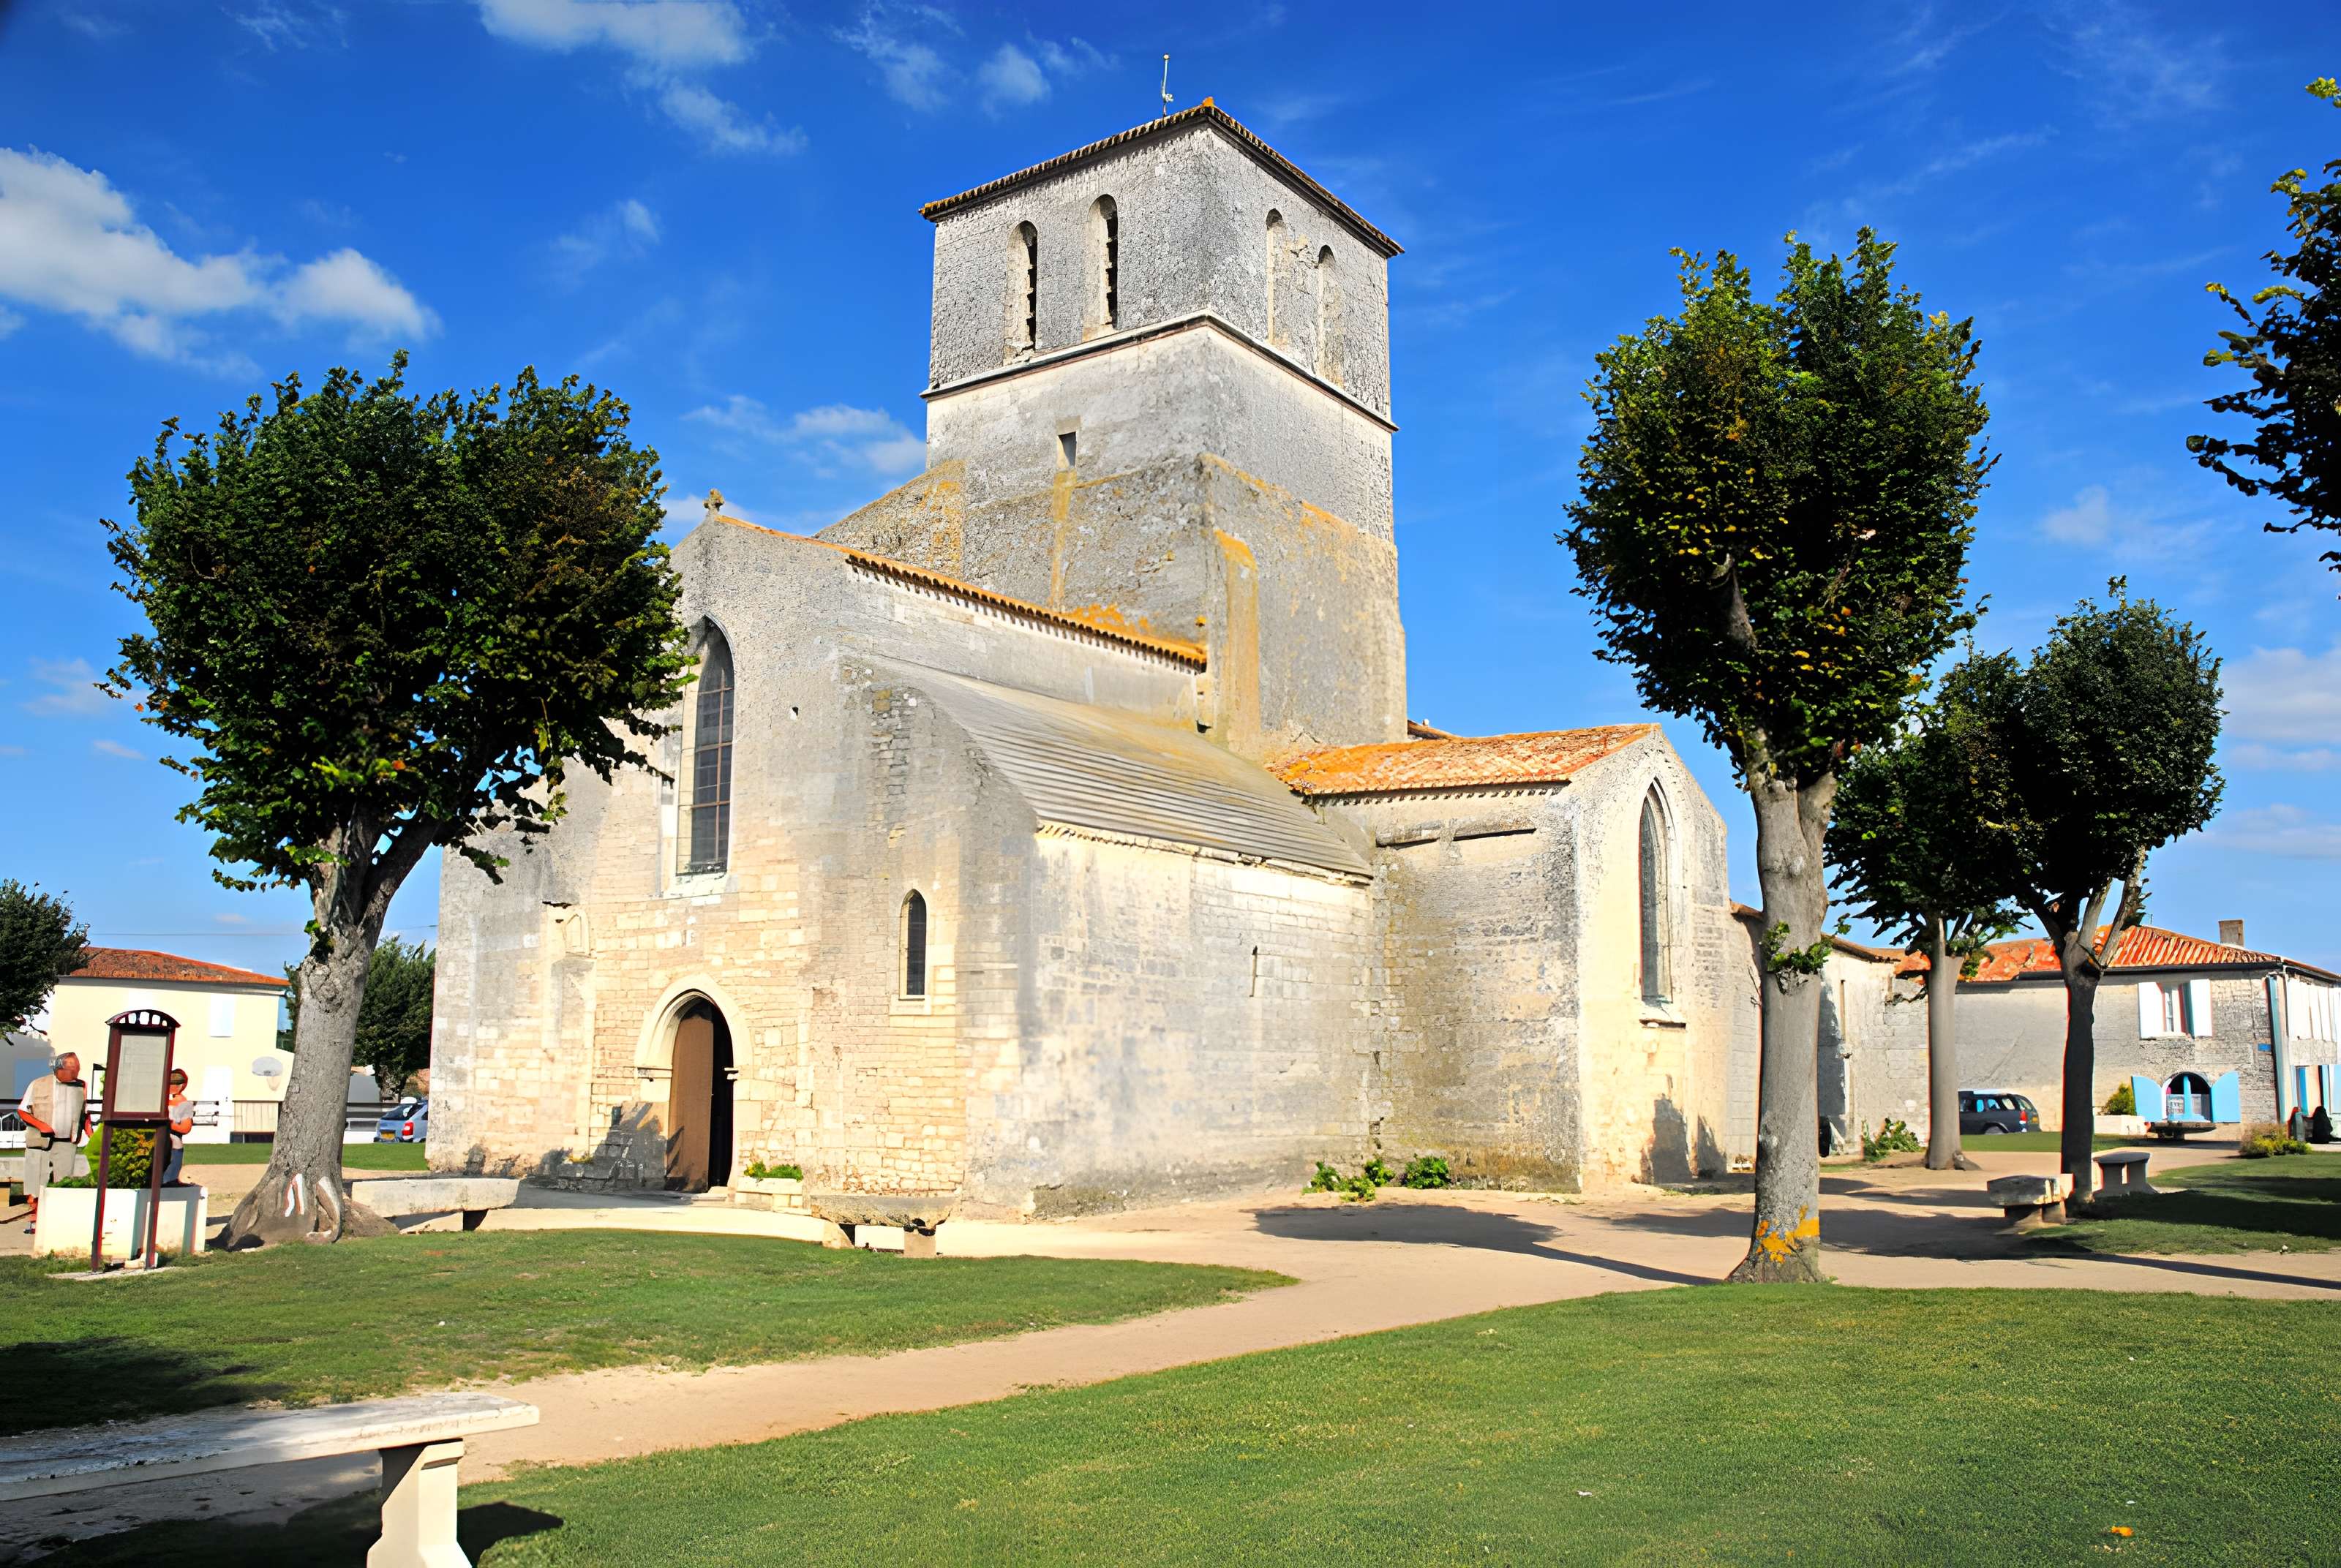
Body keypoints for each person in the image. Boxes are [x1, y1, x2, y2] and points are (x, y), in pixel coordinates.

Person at [18, 1052, 89, 1229]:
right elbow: (23, 1111)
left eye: (78, 1069)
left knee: (63, 1181)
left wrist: (91, 1133)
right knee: (36, 1181)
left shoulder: (81, 1087)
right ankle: (35, 1221)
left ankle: (57, 1221)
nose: (77, 1072)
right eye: (73, 1069)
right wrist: (41, 1126)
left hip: (66, 1141)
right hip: (40, 1142)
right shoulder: (38, 1084)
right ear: (60, 1069)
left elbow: (84, 1115)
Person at [161, 1068, 195, 1186]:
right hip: (163, 1142)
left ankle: (171, 1180)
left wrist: (168, 1123)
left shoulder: (182, 1103)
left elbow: (186, 1127)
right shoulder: (164, 1101)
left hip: (174, 1143)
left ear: (180, 1086)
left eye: (173, 1084)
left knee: (172, 1169)